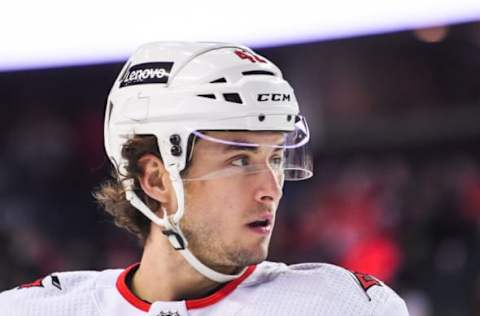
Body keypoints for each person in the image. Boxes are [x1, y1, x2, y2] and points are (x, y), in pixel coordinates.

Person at [0, 41, 409, 315]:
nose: (270, 189)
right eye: (239, 160)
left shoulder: (339, 306)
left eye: (276, 158)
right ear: (156, 180)